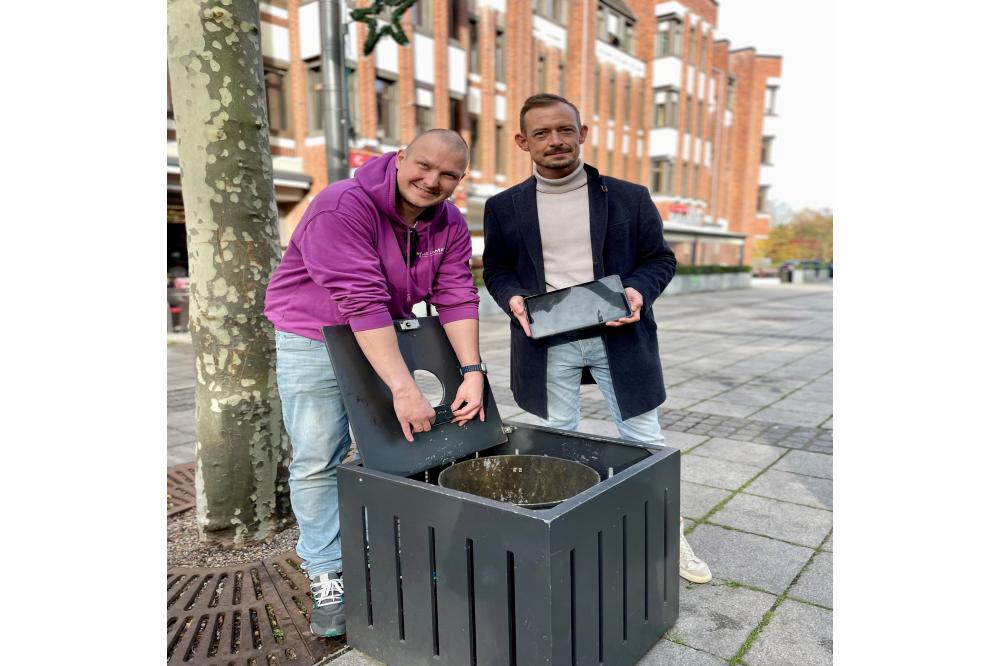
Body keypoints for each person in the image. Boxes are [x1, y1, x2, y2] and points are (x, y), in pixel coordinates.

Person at [264, 129, 488, 637]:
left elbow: (455, 292)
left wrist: (473, 371)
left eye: (448, 174)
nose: (432, 181)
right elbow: (360, 301)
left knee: (391, 449)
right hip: (314, 336)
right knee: (319, 457)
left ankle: (379, 549)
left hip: (387, 333)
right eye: (423, 166)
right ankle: (326, 571)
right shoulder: (341, 206)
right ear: (400, 157)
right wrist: (405, 388)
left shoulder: (448, 222)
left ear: (460, 180)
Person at [482, 94, 712, 584]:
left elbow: (660, 260)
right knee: (556, 444)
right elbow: (497, 269)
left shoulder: (630, 196)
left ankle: (668, 537)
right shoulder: (503, 207)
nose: (555, 140)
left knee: (645, 440)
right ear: (523, 142)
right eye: (541, 133)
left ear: (583, 133)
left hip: (621, 338)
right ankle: (563, 539)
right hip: (546, 341)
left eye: (565, 129)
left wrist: (637, 292)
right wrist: (514, 298)